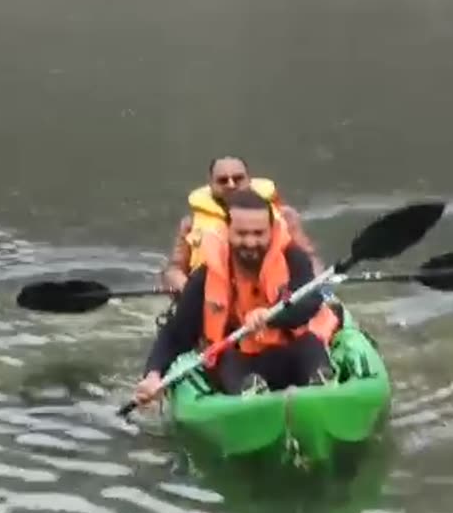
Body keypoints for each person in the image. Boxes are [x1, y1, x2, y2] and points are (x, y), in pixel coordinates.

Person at [134, 188, 341, 405]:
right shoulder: (205, 277)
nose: (250, 242)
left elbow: (309, 302)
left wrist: (271, 316)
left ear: (271, 231)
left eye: (258, 233)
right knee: (225, 355)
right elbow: (177, 334)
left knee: (309, 343)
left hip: (291, 354)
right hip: (241, 363)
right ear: (227, 231)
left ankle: (321, 387)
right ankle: (252, 395)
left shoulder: (294, 259)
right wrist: (153, 376)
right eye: (242, 234)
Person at [161, 156, 323, 295]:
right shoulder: (191, 224)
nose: (231, 185)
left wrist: (314, 290)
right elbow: (174, 270)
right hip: (213, 300)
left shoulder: (284, 216)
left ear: (249, 180)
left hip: (278, 296)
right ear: (210, 184)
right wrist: (189, 293)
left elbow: (310, 259)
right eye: (222, 180)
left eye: (238, 178)